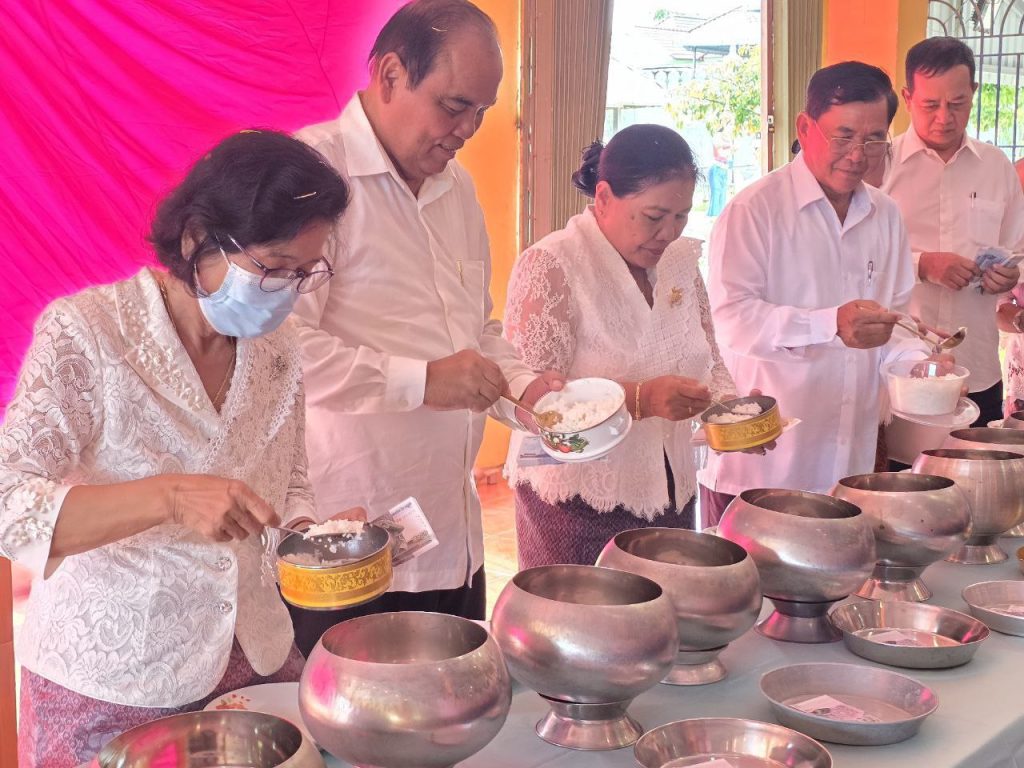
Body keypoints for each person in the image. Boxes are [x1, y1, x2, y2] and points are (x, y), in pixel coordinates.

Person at [1, 130, 352, 767]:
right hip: (113, 681)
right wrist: (168, 497)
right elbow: (9, 503)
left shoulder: (278, 349)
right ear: (197, 240)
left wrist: (311, 538)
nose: (287, 292)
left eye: (304, 273)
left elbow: (289, 480)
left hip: (254, 664)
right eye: (273, 268)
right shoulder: (90, 334)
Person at [288, 0, 560, 656]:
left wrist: (524, 389)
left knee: (453, 699)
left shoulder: (455, 188)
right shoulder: (311, 177)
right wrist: (423, 381)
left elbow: (476, 329)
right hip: (348, 536)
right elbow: (281, 353)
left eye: (482, 112)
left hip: (451, 529)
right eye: (454, 105)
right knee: (353, 710)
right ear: (389, 75)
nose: (467, 129)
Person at [697, 61, 936, 523]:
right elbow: (731, 321)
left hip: (849, 466)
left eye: (873, 139)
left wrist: (920, 366)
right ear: (805, 128)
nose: (857, 155)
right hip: (762, 471)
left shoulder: (886, 215)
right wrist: (830, 324)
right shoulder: (755, 211)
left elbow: (895, 325)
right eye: (843, 136)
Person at [502, 125, 739, 567]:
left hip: (669, 488)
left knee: (667, 606)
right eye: (654, 216)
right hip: (576, 503)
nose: (668, 233)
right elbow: (531, 403)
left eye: (681, 216)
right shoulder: (553, 264)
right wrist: (639, 399)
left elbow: (709, 356)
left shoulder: (680, 262)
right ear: (605, 197)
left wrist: (736, 414)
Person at [881, 37, 1024, 427]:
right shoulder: (883, 167)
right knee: (899, 466)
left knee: (977, 464)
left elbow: (1016, 250)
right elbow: (856, 261)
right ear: (908, 98)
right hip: (899, 369)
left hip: (977, 367)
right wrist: (922, 265)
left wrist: (1009, 275)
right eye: (930, 105)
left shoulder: (996, 168)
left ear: (974, 92)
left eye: (957, 103)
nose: (944, 117)